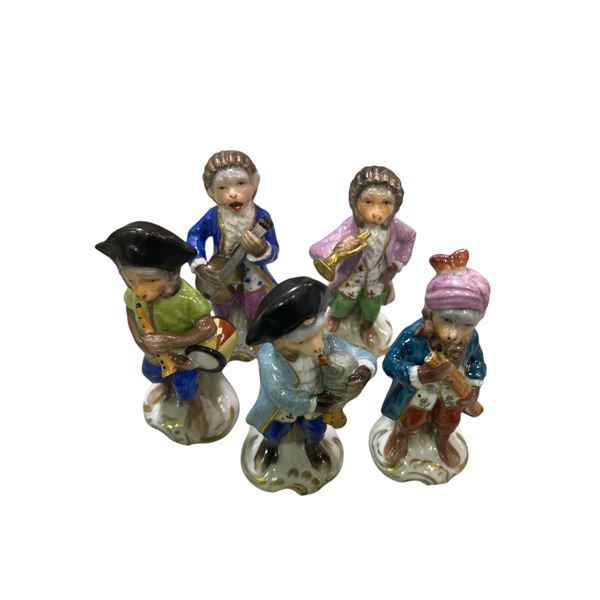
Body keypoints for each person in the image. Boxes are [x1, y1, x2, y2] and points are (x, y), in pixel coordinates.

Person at [245, 277, 376, 476]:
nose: (317, 346)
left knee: (316, 430)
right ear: (280, 343)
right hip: (283, 408)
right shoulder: (269, 357)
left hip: (319, 403)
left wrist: (364, 369)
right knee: (274, 431)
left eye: (318, 333)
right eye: (302, 341)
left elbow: (362, 354)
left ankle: (313, 446)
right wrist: (313, 402)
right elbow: (277, 392)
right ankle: (270, 447)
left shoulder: (329, 342)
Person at [380, 249, 490, 468]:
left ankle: (443, 440)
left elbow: (477, 360)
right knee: (412, 418)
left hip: (452, 392)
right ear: (430, 313)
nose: (454, 334)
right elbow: (390, 362)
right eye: (447, 320)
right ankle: (401, 436)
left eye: (467, 324)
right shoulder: (413, 337)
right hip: (419, 392)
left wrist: (474, 385)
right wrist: (418, 374)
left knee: (449, 420)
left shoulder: (471, 338)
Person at [309, 165, 415, 352]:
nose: (376, 212)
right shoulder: (349, 227)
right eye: (368, 202)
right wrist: (338, 248)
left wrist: (397, 265)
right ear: (355, 202)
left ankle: (367, 327)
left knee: (372, 308)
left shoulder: (395, 227)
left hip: (377, 280)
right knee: (341, 304)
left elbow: (410, 238)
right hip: (350, 280)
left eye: (385, 203)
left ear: (395, 206)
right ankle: (334, 319)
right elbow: (316, 248)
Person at [187, 150, 279, 360]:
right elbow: (195, 235)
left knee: (254, 303)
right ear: (211, 192)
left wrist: (261, 249)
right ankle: (224, 334)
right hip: (221, 271)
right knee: (221, 304)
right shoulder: (214, 215)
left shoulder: (261, 217)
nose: (233, 193)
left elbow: (274, 250)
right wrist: (199, 264)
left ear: (255, 183)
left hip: (252, 271)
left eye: (241, 183)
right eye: (222, 187)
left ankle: (254, 334)